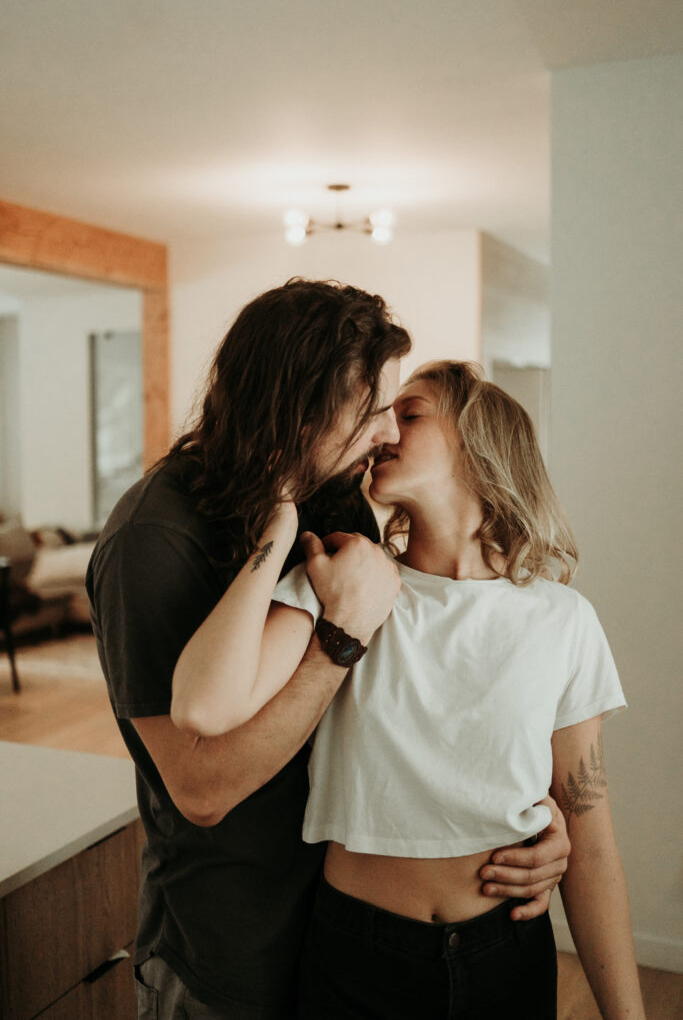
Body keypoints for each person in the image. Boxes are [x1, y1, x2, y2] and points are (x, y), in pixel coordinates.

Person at [88, 280, 570, 1020]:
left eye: (399, 410)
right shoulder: (152, 538)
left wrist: (533, 818)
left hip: (343, 925)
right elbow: (202, 791)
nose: (385, 433)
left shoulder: (338, 501)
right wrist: (336, 641)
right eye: (373, 408)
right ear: (301, 400)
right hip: (229, 950)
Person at [173, 359, 645, 1020]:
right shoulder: (340, 582)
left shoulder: (562, 620)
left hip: (507, 949)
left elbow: (588, 829)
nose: (382, 429)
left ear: (480, 444)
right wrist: (280, 526)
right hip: (357, 956)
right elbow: (204, 703)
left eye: (410, 412)